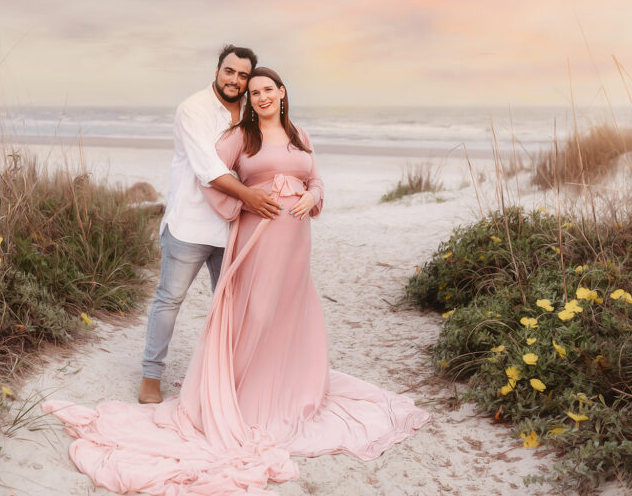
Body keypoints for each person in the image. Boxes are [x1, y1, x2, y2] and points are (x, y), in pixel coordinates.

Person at [43, 67, 430, 496]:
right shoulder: (239, 138)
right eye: (255, 92)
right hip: (258, 236)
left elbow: (316, 179)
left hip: (296, 241)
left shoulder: (301, 133)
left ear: (282, 93)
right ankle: (244, 394)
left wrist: (312, 196)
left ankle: (285, 388)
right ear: (249, 99)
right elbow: (210, 177)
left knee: (289, 311)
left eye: (269, 89)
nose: (262, 97)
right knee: (257, 311)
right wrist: (243, 206)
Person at [139, 45, 281, 404]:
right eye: (229, 71)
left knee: (230, 306)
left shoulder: (252, 110)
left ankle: (223, 377)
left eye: (243, 75)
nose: (235, 80)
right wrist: (251, 197)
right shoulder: (194, 109)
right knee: (170, 300)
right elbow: (208, 169)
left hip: (233, 227)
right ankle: (151, 376)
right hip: (189, 224)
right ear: (218, 70)